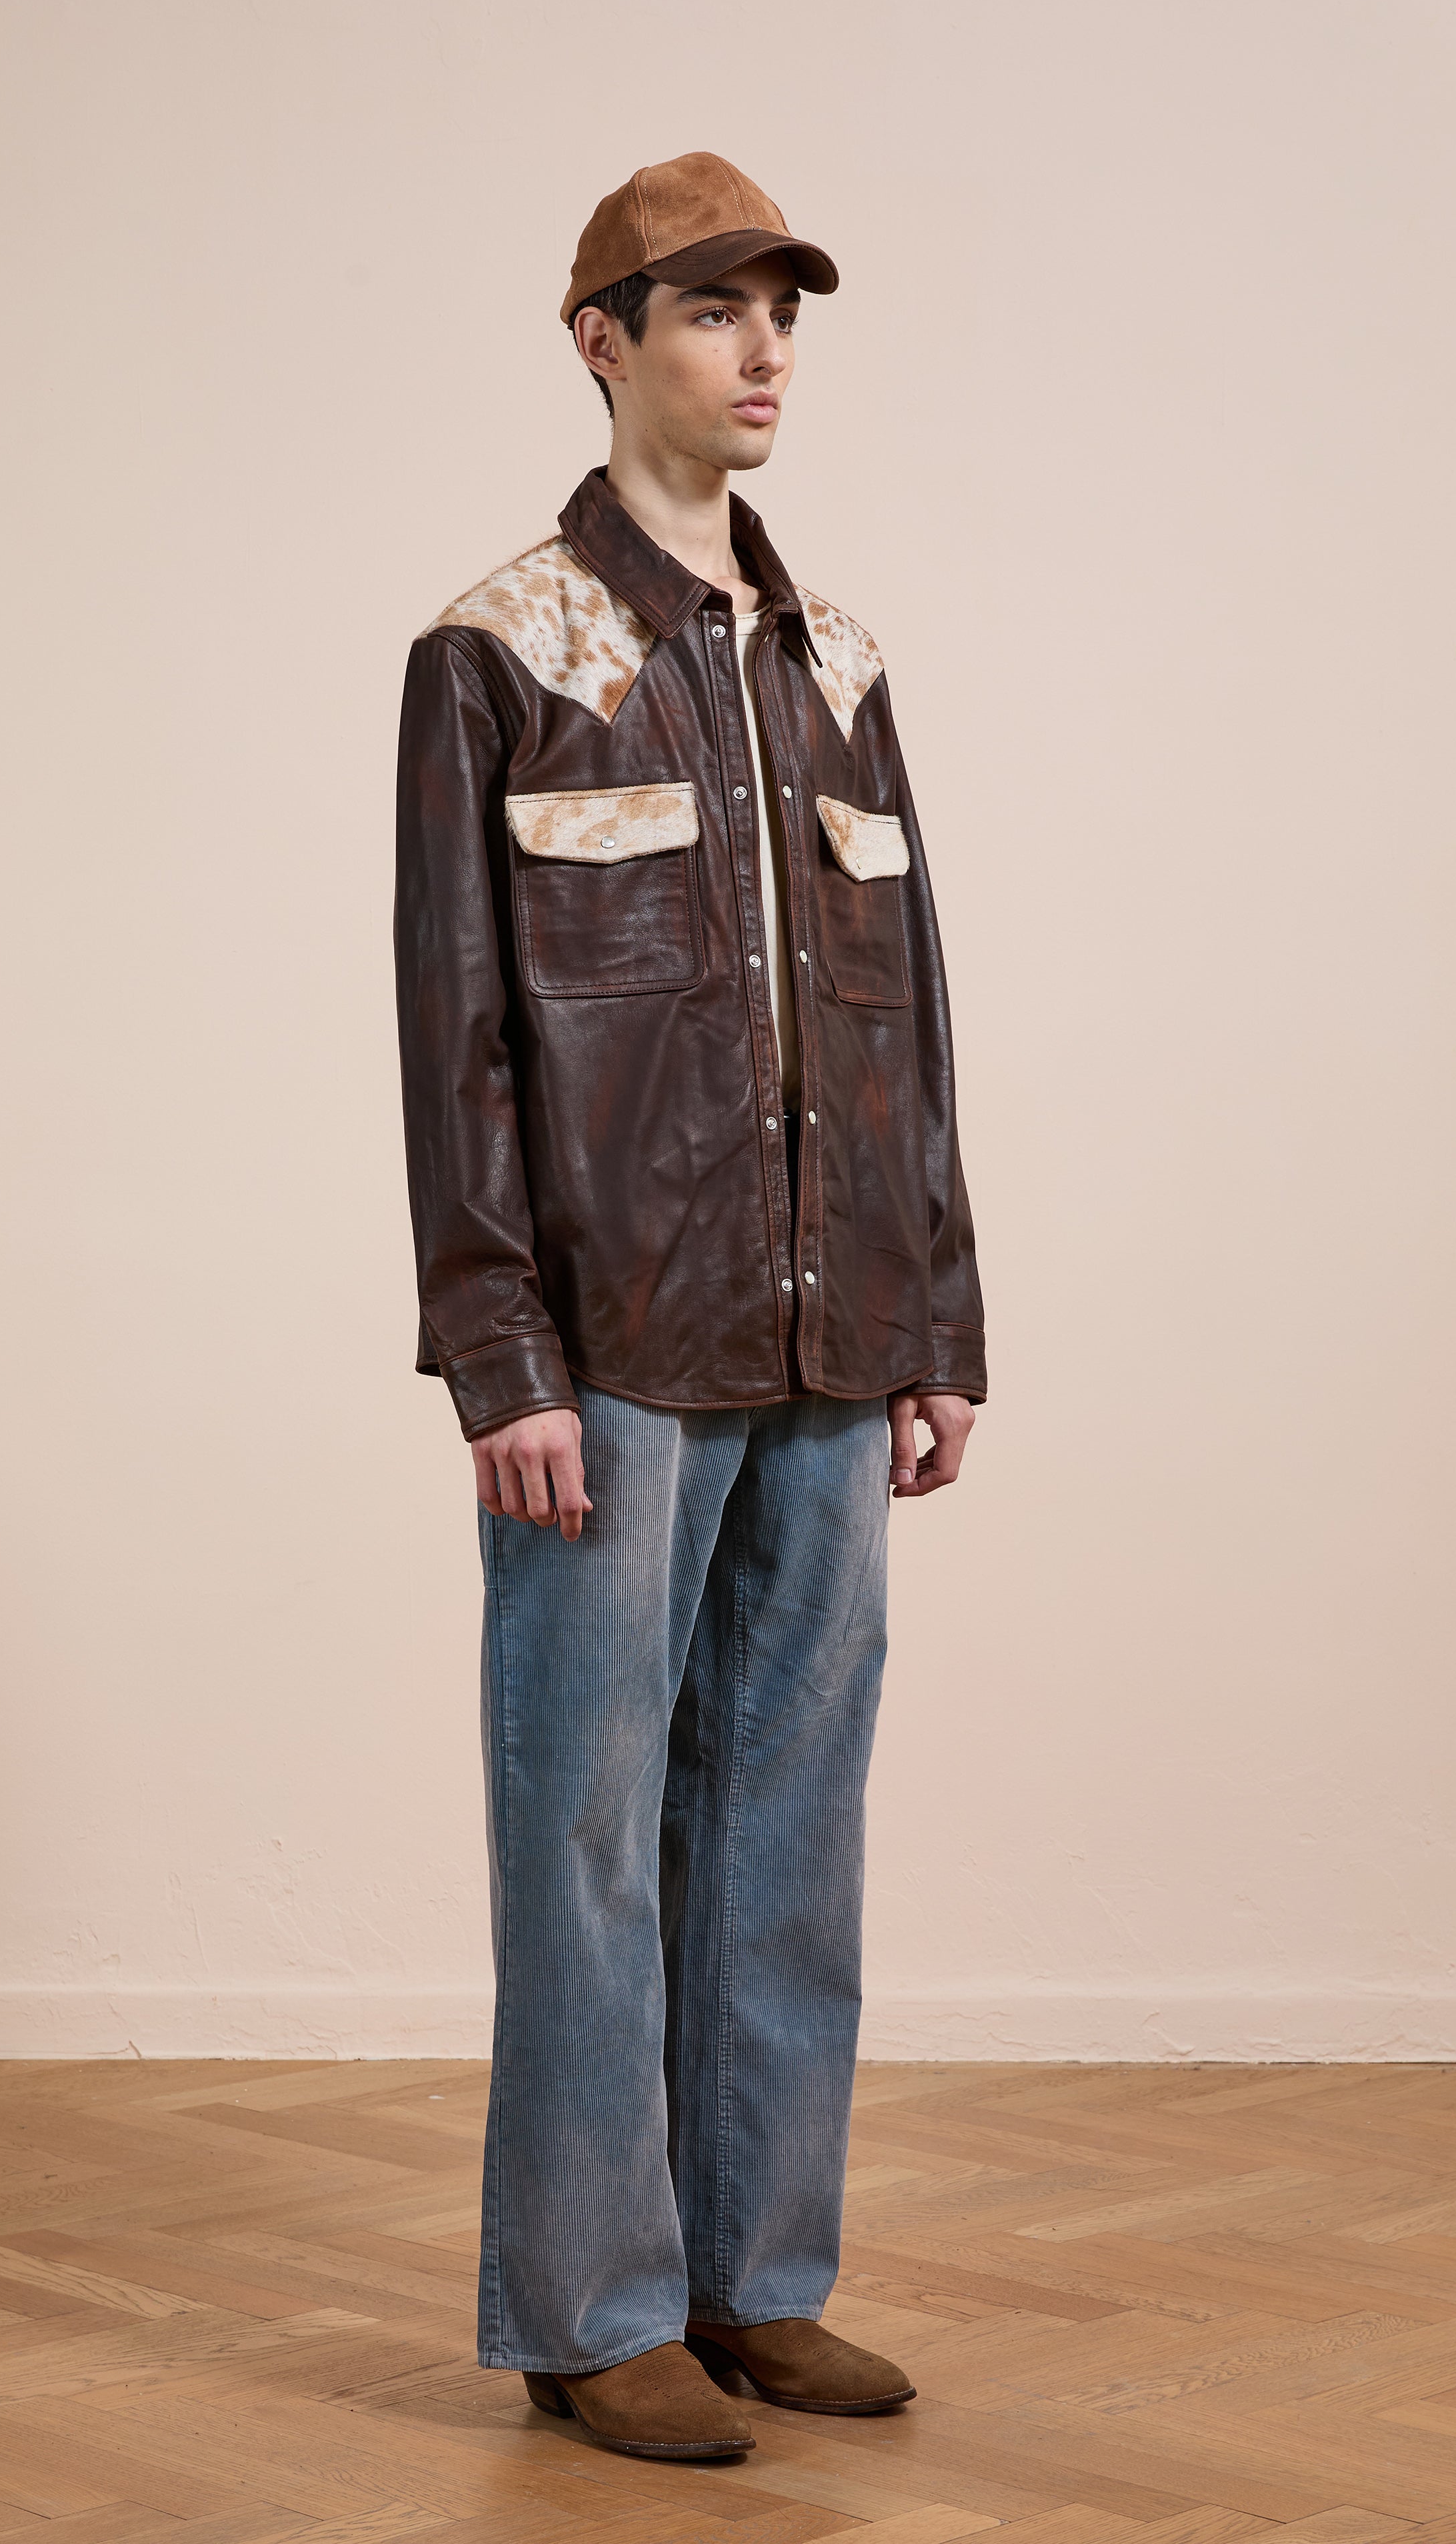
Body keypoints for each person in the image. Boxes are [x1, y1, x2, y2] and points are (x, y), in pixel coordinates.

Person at [391, 151, 985, 2462]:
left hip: (836, 1348)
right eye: (713, 312)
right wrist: (498, 1358)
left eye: (785, 316)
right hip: (611, 1365)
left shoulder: (842, 669)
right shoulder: (506, 649)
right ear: (602, 341)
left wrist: (939, 1321)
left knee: (787, 1821)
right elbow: (456, 1042)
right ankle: (587, 2301)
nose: (763, 354)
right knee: (585, 1827)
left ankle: (757, 2276)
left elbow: (908, 1021)